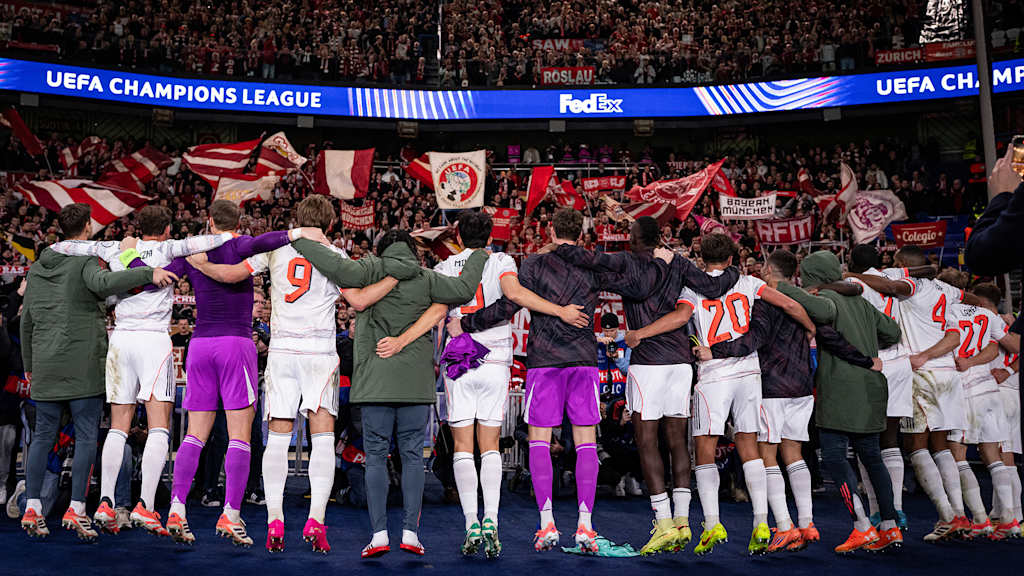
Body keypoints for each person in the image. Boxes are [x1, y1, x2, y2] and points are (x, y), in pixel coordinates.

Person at [185, 195, 399, 554]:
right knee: (322, 439)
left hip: (283, 350)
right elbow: (359, 302)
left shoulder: (278, 248)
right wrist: (396, 276)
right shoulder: (337, 256)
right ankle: (316, 518)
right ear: (330, 225)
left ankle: (274, 519)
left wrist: (200, 264)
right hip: (319, 352)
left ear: (297, 219)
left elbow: (230, 274)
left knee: (279, 438)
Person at [454, 208, 644, 554]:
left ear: (551, 229)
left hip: (544, 361)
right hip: (584, 361)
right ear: (581, 231)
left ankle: (546, 524)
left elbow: (508, 307)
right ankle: (585, 527)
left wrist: (467, 324)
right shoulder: (591, 263)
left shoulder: (535, 265)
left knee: (540, 442)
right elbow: (628, 269)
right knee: (586, 441)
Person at [292, 227, 488, 559]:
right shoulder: (427, 278)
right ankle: (410, 533)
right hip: (415, 383)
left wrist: (296, 238)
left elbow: (335, 266)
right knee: (413, 458)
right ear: (413, 250)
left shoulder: (370, 269)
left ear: (383, 249)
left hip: (373, 384)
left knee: (375, 460)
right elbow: (466, 288)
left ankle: (379, 534)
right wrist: (480, 252)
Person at [551, 217, 743, 555]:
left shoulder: (627, 261)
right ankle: (683, 522)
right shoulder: (679, 262)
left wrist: (561, 248)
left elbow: (590, 259)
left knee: (647, 441)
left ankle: (665, 522)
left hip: (648, 364)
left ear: (634, 238)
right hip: (681, 363)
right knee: (678, 441)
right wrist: (734, 269)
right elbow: (714, 288)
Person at [47, 205, 230, 536]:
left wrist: (58, 247)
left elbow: (69, 246)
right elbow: (207, 243)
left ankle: (104, 501)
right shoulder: (169, 249)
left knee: (118, 425)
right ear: (166, 228)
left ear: (138, 226)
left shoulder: (115, 247)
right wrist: (233, 234)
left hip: (121, 340)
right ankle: (145, 504)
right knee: (159, 425)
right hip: (153, 341)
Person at [162, 199, 326, 547]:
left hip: (200, 346)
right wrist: (298, 231)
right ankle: (231, 514)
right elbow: (269, 241)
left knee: (194, 434)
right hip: (236, 345)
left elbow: (155, 277)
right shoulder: (240, 245)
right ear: (238, 221)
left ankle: (176, 507)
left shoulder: (191, 252)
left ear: (208, 220)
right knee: (239, 435)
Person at [697, 249, 881, 553]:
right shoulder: (804, 304)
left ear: (768, 269)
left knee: (767, 454)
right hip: (801, 386)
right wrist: (863, 360)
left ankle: (784, 525)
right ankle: (807, 523)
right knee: (794, 453)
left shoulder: (764, 302)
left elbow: (754, 340)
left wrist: (714, 351)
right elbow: (828, 335)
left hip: (772, 386)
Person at [431, 210, 588, 559]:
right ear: (490, 235)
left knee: (461, 445)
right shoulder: (501, 259)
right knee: (489, 444)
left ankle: (471, 521)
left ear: (458, 234)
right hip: (496, 355)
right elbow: (515, 295)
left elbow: (438, 315)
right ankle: (492, 521)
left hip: (459, 357)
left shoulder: (445, 267)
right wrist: (560, 310)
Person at [20, 203, 176, 540]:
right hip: (82, 362)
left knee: (42, 436)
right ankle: (77, 509)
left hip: (44, 364)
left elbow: (27, 322)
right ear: (88, 228)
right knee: (88, 435)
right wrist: (146, 272)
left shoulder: (36, 269)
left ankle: (33, 505)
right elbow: (104, 282)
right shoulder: (85, 259)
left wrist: (30, 366)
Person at [663, 234, 815, 556]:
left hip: (714, 372)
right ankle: (761, 520)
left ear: (702, 260)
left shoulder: (692, 289)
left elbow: (679, 318)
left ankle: (712, 523)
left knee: (704, 446)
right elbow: (789, 304)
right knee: (749, 445)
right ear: (732, 259)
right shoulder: (747, 282)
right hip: (749, 372)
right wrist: (810, 327)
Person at [779, 250, 903, 553]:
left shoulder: (828, 301)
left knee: (835, 457)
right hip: (872, 388)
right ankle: (890, 527)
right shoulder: (861, 301)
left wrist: (780, 285)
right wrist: (868, 344)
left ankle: (862, 527)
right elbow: (892, 332)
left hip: (840, 389)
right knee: (872, 458)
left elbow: (818, 309)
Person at [846, 247, 972, 541]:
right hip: (947, 373)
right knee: (939, 447)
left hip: (918, 370)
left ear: (902, 266)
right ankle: (961, 516)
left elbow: (889, 285)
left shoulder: (904, 284)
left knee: (915, 446)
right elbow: (957, 331)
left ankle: (945, 515)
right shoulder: (946, 289)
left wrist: (924, 357)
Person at [845, 244, 917, 531]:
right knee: (890, 438)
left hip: (872, 361)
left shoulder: (851, 283)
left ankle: (877, 510)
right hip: (900, 361)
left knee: (866, 440)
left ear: (851, 262)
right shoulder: (892, 279)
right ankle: (896, 508)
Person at [946, 282, 1020, 538]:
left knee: (957, 455)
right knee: (994, 455)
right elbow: (1004, 346)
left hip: (963, 390)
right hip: (989, 388)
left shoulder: (949, 311)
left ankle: (978, 519)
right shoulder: (989, 316)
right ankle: (1009, 519)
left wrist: (964, 362)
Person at [596, 313, 629, 397]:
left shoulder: (626, 343)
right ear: (602, 329)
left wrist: (617, 358)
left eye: (612, 330)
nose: (609, 334)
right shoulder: (597, 343)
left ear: (618, 328)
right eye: (606, 331)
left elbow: (627, 371)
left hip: (620, 394)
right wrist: (597, 341)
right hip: (600, 393)